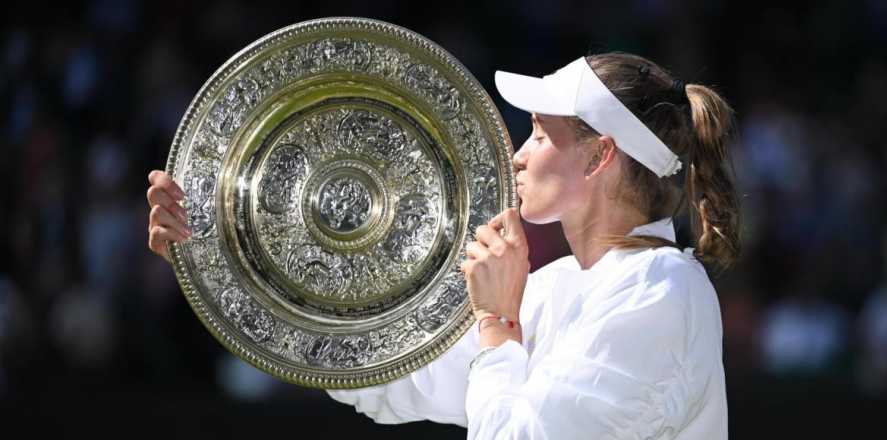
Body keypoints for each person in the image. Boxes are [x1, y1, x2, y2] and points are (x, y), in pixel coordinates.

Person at [147, 52, 740, 439]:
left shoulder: (660, 292)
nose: (519, 153)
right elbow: (393, 373)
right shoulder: (564, 286)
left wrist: (498, 320)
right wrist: (221, 250)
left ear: (600, 155)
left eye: (539, 133)